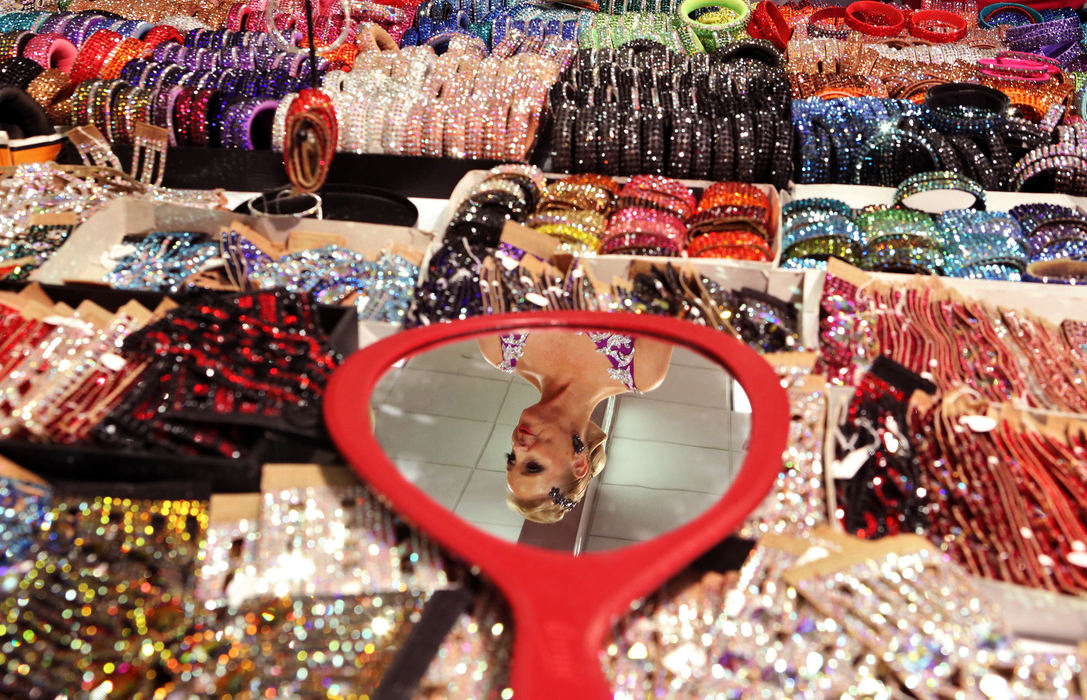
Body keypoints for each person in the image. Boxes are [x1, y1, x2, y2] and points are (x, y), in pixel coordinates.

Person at [477, 330, 672, 523]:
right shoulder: (643, 371)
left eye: (511, 458)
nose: (518, 448)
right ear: (579, 464)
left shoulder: (497, 350)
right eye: (533, 466)